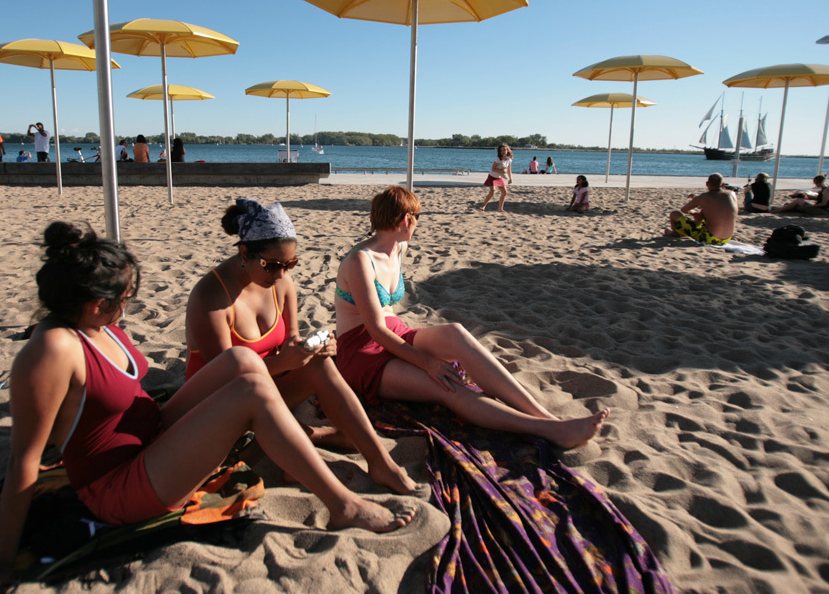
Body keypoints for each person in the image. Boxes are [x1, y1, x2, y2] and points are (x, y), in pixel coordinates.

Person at [0, 222, 415, 594]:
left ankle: (355, 456)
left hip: (150, 433)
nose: (128, 306)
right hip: (119, 484)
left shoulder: (98, 325)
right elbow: (23, 460)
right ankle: (342, 505)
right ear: (96, 303)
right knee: (250, 389)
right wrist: (1, 564)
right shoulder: (51, 350)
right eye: (124, 299)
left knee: (244, 361)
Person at [334, 186, 609, 448]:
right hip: (362, 351)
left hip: (396, 333)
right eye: (417, 217)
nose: (417, 223)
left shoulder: (398, 248)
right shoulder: (360, 260)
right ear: (406, 220)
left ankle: (546, 417)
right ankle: (548, 430)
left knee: (455, 332)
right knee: (446, 385)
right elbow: (376, 330)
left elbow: (388, 324)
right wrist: (427, 363)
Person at [185, 199, 416, 495]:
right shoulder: (210, 298)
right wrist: (284, 363)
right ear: (244, 253)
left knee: (321, 364)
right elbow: (223, 378)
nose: (281, 274)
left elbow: (290, 340)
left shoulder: (280, 282)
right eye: (272, 265)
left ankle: (380, 462)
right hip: (215, 403)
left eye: (290, 264)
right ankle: (310, 440)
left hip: (264, 386)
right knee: (329, 406)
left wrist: (311, 348)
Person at [665, 173, 738, 245]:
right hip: (726, 239)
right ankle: (683, 232)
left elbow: (684, 210)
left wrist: (694, 212)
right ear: (723, 184)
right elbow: (717, 204)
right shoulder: (732, 194)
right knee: (703, 213)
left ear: (707, 184)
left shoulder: (703, 197)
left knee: (674, 214)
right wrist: (698, 202)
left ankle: (675, 233)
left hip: (710, 238)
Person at [480, 143, 514, 212]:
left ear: (507, 150)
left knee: (504, 192)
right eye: (501, 150)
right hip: (492, 176)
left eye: (504, 150)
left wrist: (510, 178)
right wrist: (502, 171)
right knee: (492, 191)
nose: (503, 151)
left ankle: (500, 208)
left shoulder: (509, 159)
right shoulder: (498, 159)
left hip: (499, 177)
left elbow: (509, 170)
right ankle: (483, 205)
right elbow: (493, 169)